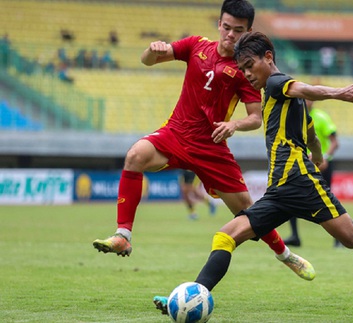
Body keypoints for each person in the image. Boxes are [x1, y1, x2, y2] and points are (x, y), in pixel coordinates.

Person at [152, 31, 353, 314]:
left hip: (300, 182)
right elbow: (312, 137)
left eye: (250, 66)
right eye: (242, 69)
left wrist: (340, 93)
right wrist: (318, 157)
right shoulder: (277, 100)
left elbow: (302, 88)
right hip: (279, 189)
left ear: (268, 57)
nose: (247, 74)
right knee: (225, 236)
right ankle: (190, 297)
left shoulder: (277, 83)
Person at [92, 0, 314, 281]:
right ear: (219, 24)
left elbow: (255, 118)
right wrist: (152, 50)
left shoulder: (245, 70)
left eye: (238, 30)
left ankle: (285, 254)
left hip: (212, 147)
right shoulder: (196, 45)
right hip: (176, 134)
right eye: (227, 27)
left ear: (248, 31)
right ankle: (123, 234)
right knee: (135, 156)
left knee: (248, 211)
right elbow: (146, 61)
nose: (230, 35)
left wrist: (234, 124)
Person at [283, 99, 341, 247]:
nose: (305, 101)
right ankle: (295, 236)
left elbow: (335, 142)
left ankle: (340, 237)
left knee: (327, 200)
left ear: (313, 100)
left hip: (322, 164)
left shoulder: (321, 117)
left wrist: (325, 157)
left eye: (308, 98)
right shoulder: (294, 116)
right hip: (301, 164)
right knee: (291, 197)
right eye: (302, 98)